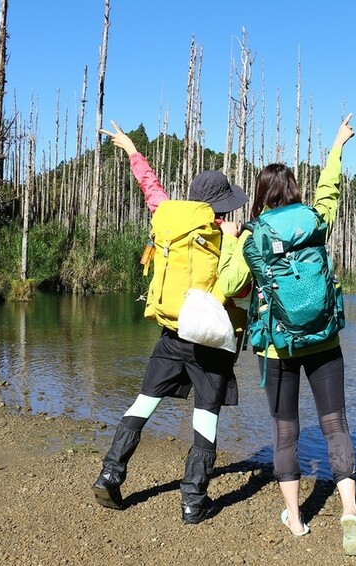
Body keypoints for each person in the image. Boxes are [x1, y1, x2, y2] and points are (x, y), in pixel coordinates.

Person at [216, 114, 356, 556]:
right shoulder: (316, 222)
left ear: (262, 196)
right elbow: (329, 192)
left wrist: (231, 239)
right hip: (324, 338)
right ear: (295, 192)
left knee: (286, 433)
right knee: (335, 425)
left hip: (276, 347)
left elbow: (229, 286)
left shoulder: (254, 235)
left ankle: (297, 521)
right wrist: (337, 146)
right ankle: (350, 516)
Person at [92, 121, 249, 524]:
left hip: (172, 332)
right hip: (211, 340)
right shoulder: (224, 235)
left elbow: (150, 184)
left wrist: (130, 147)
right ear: (222, 205)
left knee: (144, 401)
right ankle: (192, 501)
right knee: (206, 415)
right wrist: (233, 240)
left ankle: (111, 472)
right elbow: (238, 288)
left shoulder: (166, 215)